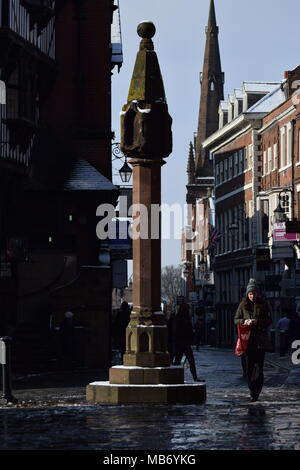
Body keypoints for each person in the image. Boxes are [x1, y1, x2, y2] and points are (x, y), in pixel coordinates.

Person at [234, 279, 272, 402]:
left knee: (259, 367)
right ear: (247, 294)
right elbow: (236, 319)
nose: (252, 296)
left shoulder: (264, 304)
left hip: (260, 340)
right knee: (249, 367)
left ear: (258, 293)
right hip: (247, 340)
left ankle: (256, 391)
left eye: (254, 293)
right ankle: (252, 388)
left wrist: (257, 321)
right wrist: (244, 321)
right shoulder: (242, 304)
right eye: (250, 294)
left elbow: (269, 320)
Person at [173, 302, 205, 382]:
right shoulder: (186, 319)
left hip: (179, 343)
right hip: (185, 344)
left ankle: (174, 377)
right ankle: (194, 377)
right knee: (191, 361)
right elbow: (189, 331)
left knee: (177, 361)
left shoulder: (177, 318)